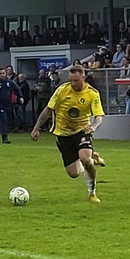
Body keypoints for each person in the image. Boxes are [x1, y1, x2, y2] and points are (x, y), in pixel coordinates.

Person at [30, 65, 107, 203]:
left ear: (84, 78)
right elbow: (48, 110)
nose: (73, 83)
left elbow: (99, 117)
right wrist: (36, 128)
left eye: (76, 81)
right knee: (74, 173)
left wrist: (93, 127)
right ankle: (93, 158)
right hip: (63, 134)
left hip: (82, 130)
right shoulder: (62, 90)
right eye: (71, 80)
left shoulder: (92, 93)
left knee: (84, 159)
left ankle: (92, 193)